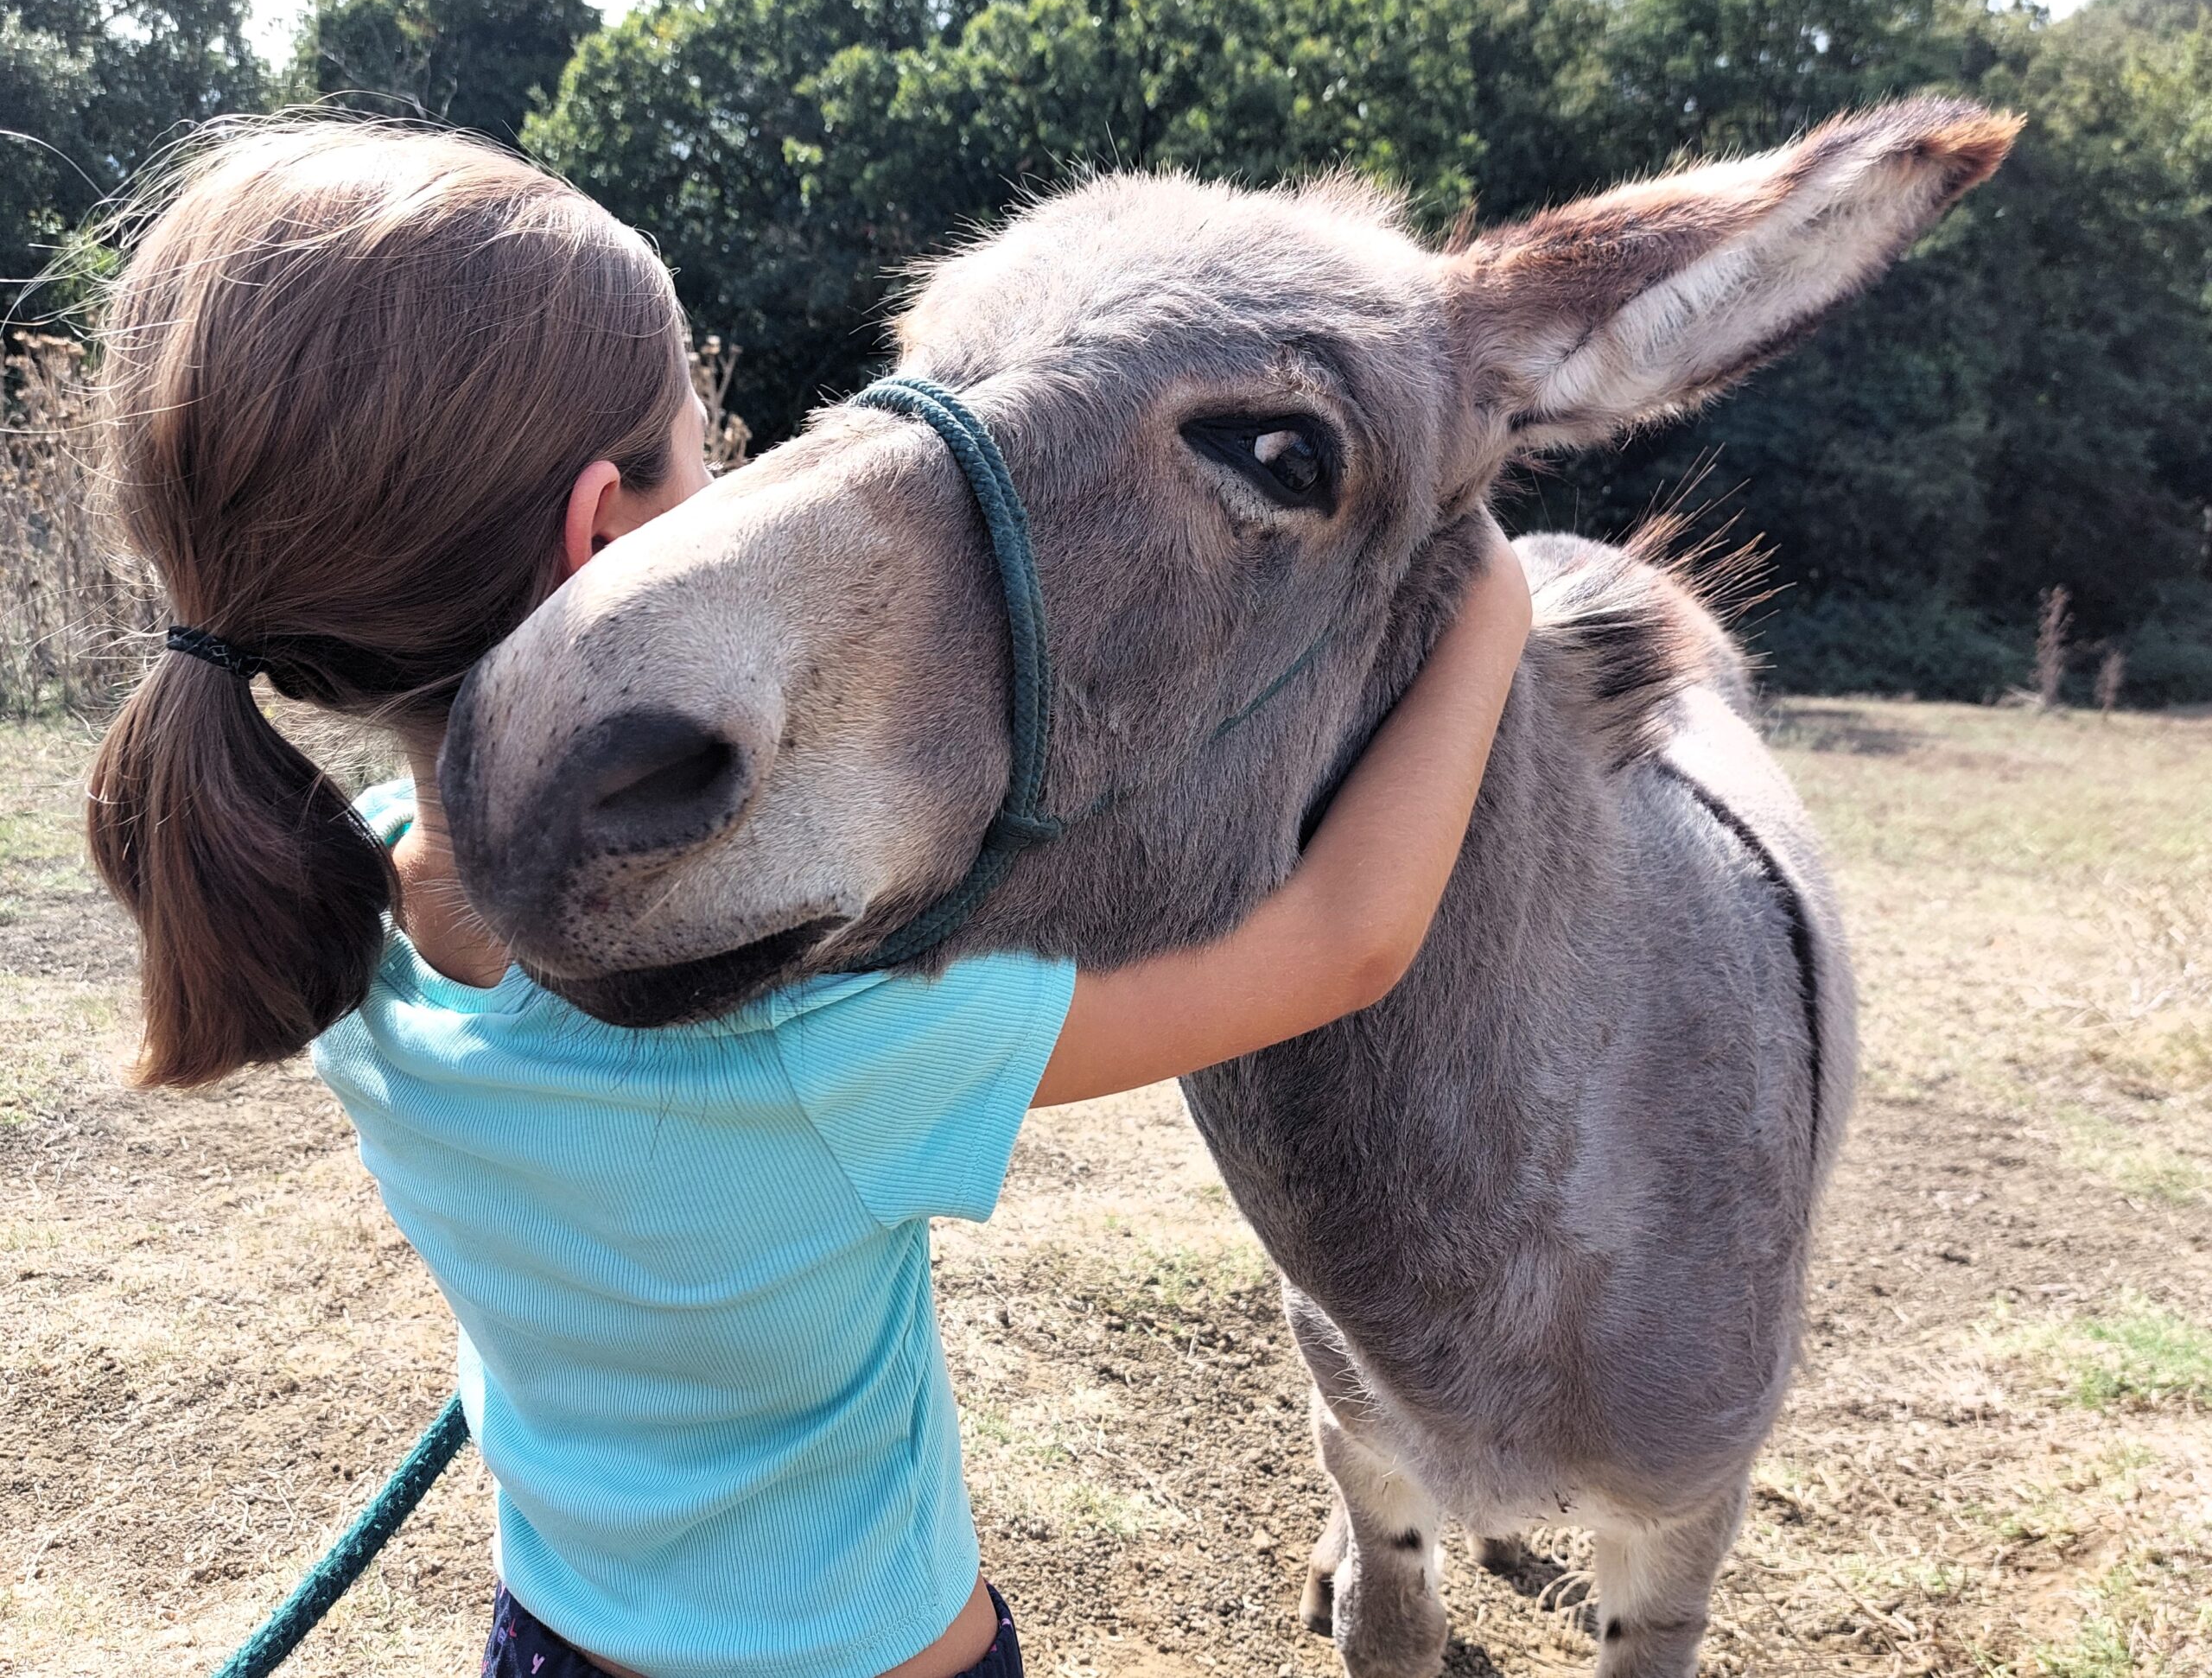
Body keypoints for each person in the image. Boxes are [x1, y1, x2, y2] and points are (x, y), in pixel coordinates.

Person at [84, 118, 1533, 1678]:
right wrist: (1493, 592)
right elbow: (1343, 943)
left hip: (551, 1632)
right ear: (610, 535)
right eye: (706, 446)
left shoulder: (333, 906)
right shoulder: (819, 1039)